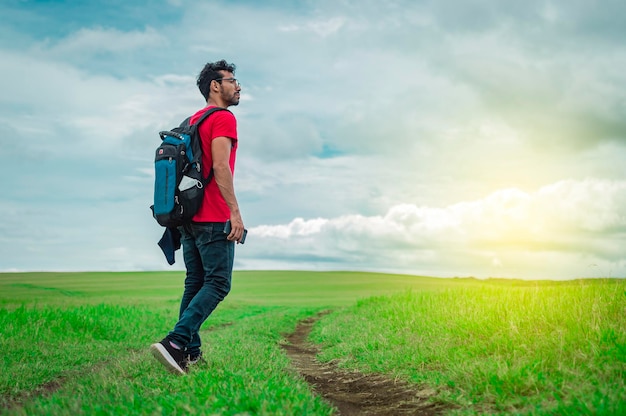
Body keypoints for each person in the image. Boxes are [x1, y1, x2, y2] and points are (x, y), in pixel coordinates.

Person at [151, 59, 245, 374]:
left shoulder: (193, 120)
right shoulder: (222, 118)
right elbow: (221, 166)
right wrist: (235, 212)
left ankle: (189, 354)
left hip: (188, 218)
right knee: (218, 283)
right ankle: (175, 342)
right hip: (213, 215)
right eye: (232, 80)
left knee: (195, 283)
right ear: (215, 86)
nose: (238, 86)